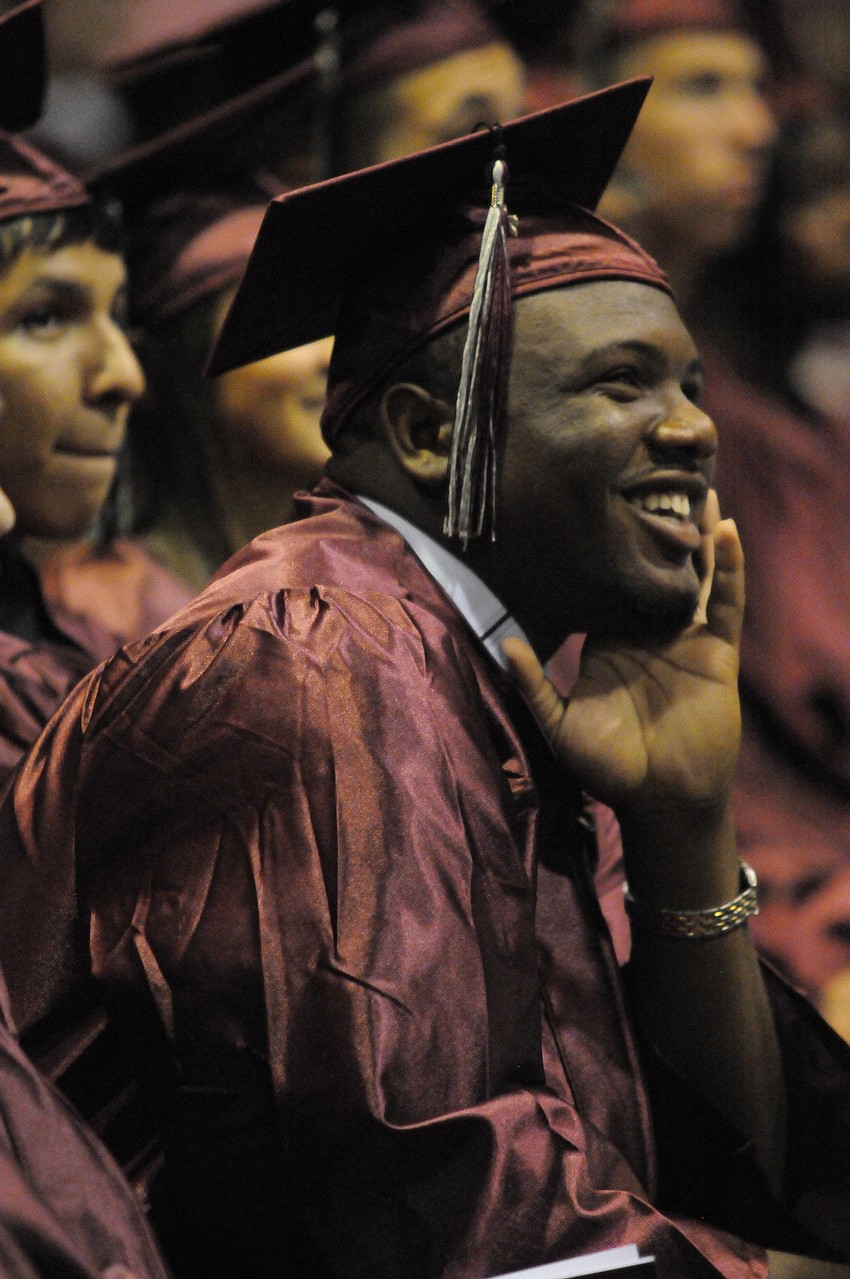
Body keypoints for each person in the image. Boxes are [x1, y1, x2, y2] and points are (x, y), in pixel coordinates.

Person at [1, 80, 849, 1279]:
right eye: (621, 383)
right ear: (425, 432)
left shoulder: (461, 660)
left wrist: (684, 823)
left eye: (692, 386)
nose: (692, 432)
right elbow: (434, 1218)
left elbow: (717, 1163)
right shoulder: (310, 656)